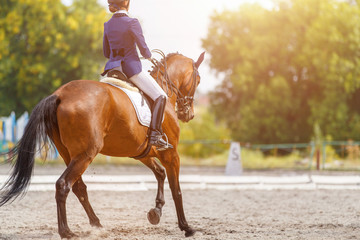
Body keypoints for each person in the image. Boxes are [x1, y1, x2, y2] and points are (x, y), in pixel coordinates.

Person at [102, 0, 173, 151]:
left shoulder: (107, 25)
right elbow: (143, 47)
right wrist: (148, 56)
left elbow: (106, 53)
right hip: (130, 69)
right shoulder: (132, 22)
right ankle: (155, 135)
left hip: (112, 69)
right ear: (126, 3)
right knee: (161, 96)